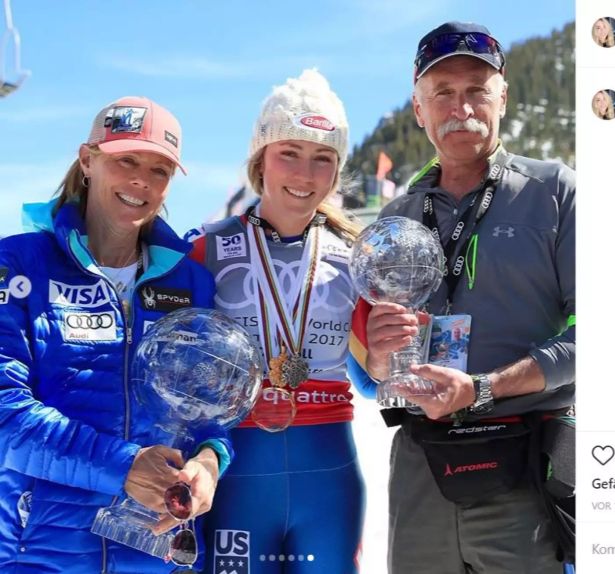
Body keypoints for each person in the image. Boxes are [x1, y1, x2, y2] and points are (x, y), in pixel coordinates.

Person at [349, 21, 575, 574]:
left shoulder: (556, 191)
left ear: (502, 95)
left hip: (523, 462)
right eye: (442, 93)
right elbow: (369, 369)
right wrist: (379, 355)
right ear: (418, 109)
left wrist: (481, 389)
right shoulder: (395, 219)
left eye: (477, 90)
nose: (462, 107)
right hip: (420, 465)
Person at [0, 96, 230, 573]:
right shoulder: (16, 265)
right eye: (126, 159)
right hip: (38, 554)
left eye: (160, 169)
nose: (141, 180)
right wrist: (121, 464)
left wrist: (210, 460)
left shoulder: (190, 283)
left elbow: (208, 408)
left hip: (157, 554)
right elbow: (5, 413)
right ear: (88, 160)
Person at [187, 69, 366, 574]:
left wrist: (401, 342)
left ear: (336, 171)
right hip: (237, 468)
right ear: (259, 160)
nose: (305, 175)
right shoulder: (204, 249)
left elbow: (377, 378)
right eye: (289, 153)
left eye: (323, 159)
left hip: (329, 474)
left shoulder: (356, 257)